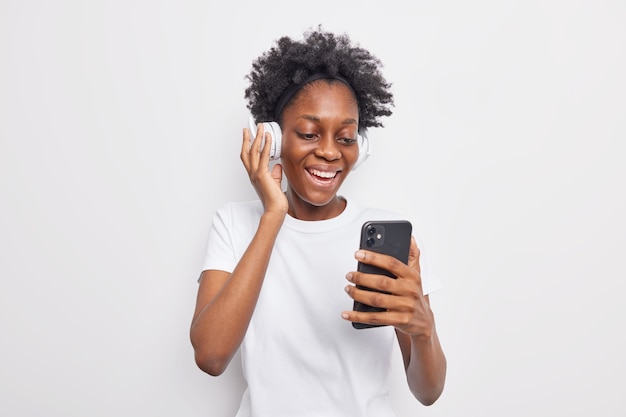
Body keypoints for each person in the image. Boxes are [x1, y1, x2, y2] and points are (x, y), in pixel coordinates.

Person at [190, 27, 446, 416]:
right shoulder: (235, 223)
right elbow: (210, 356)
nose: (329, 151)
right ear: (272, 139)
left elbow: (428, 393)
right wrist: (274, 215)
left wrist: (423, 330)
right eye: (310, 133)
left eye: (345, 138)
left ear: (360, 149)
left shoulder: (393, 234)